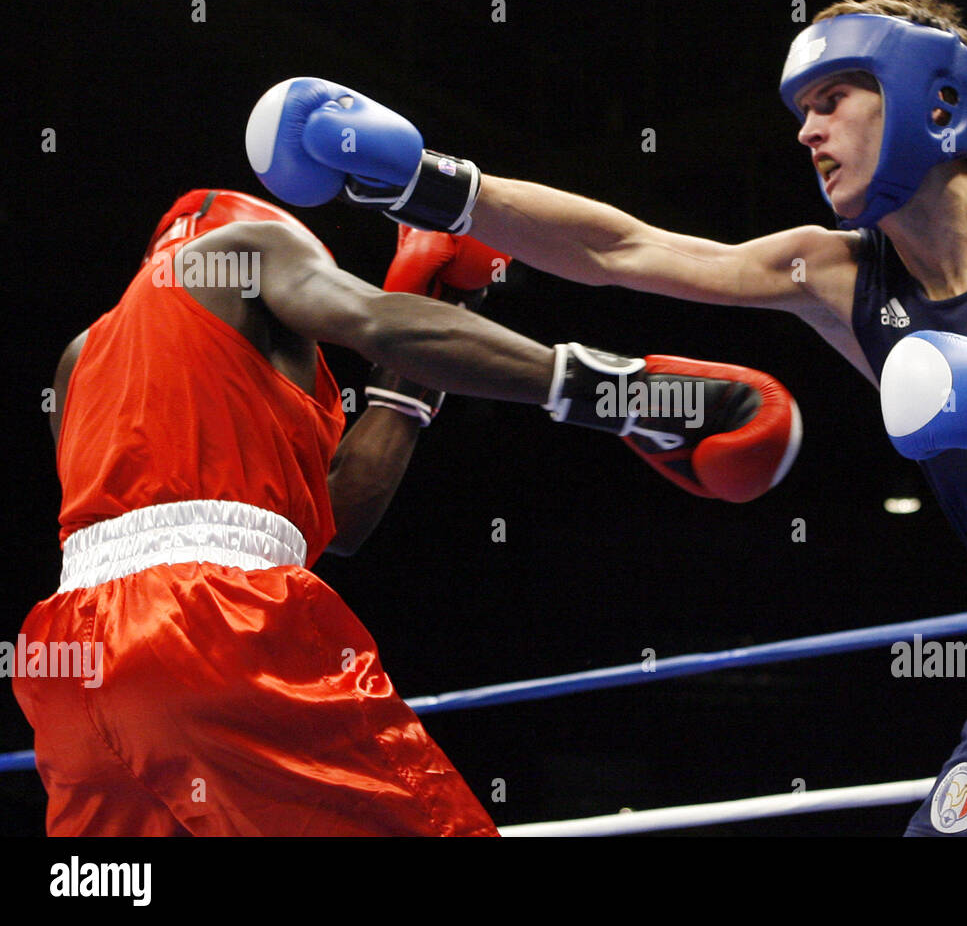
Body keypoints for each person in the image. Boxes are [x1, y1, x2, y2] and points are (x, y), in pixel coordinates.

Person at [247, 0, 967, 836]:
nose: (806, 131)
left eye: (832, 99)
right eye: (799, 109)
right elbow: (626, 249)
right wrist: (429, 185)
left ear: (925, 97)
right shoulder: (838, 270)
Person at [13, 188, 800, 836]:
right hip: (211, 624)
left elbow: (336, 522)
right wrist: (624, 392)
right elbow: (377, 323)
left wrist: (411, 375)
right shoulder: (238, 251)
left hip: (66, 666)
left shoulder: (83, 357)